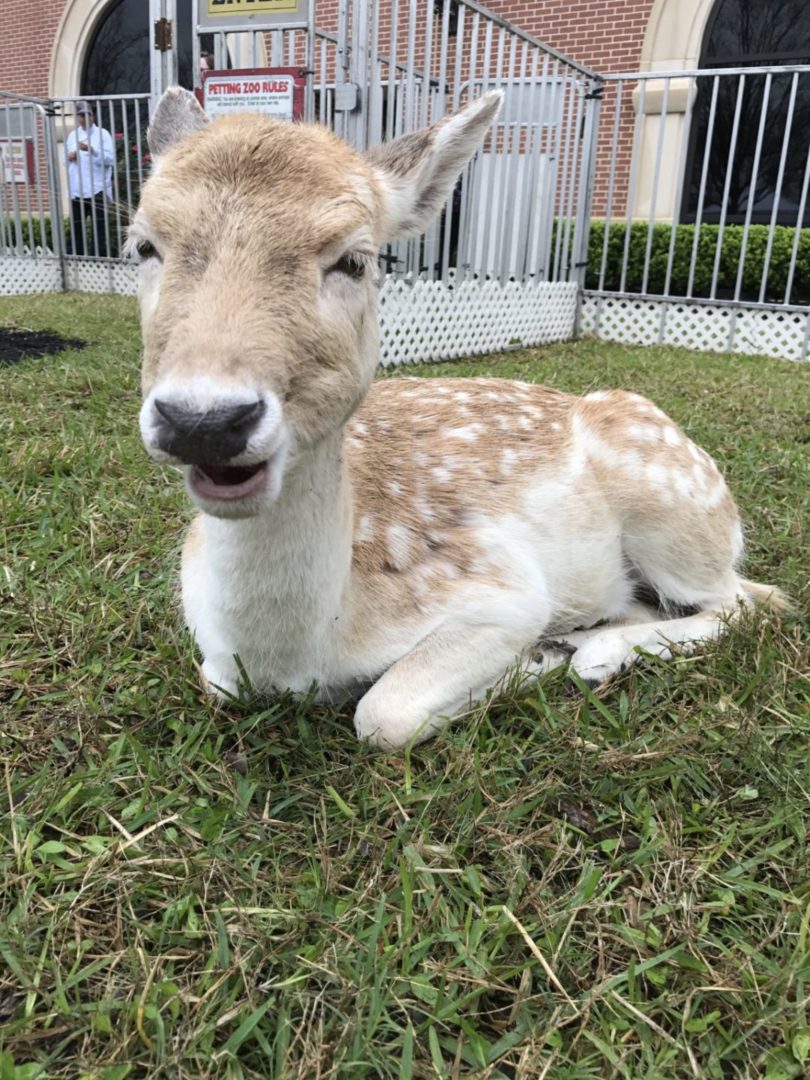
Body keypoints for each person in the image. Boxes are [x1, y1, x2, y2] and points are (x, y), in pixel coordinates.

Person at [64, 102, 114, 256]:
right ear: (78, 118)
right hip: (77, 190)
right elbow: (64, 161)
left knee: (99, 230)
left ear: (93, 116)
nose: (85, 119)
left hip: (97, 189)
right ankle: (76, 260)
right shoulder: (73, 136)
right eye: (82, 116)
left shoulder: (103, 134)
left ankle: (99, 261)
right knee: (76, 228)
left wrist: (91, 150)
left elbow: (110, 159)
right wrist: (69, 156)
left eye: (88, 115)